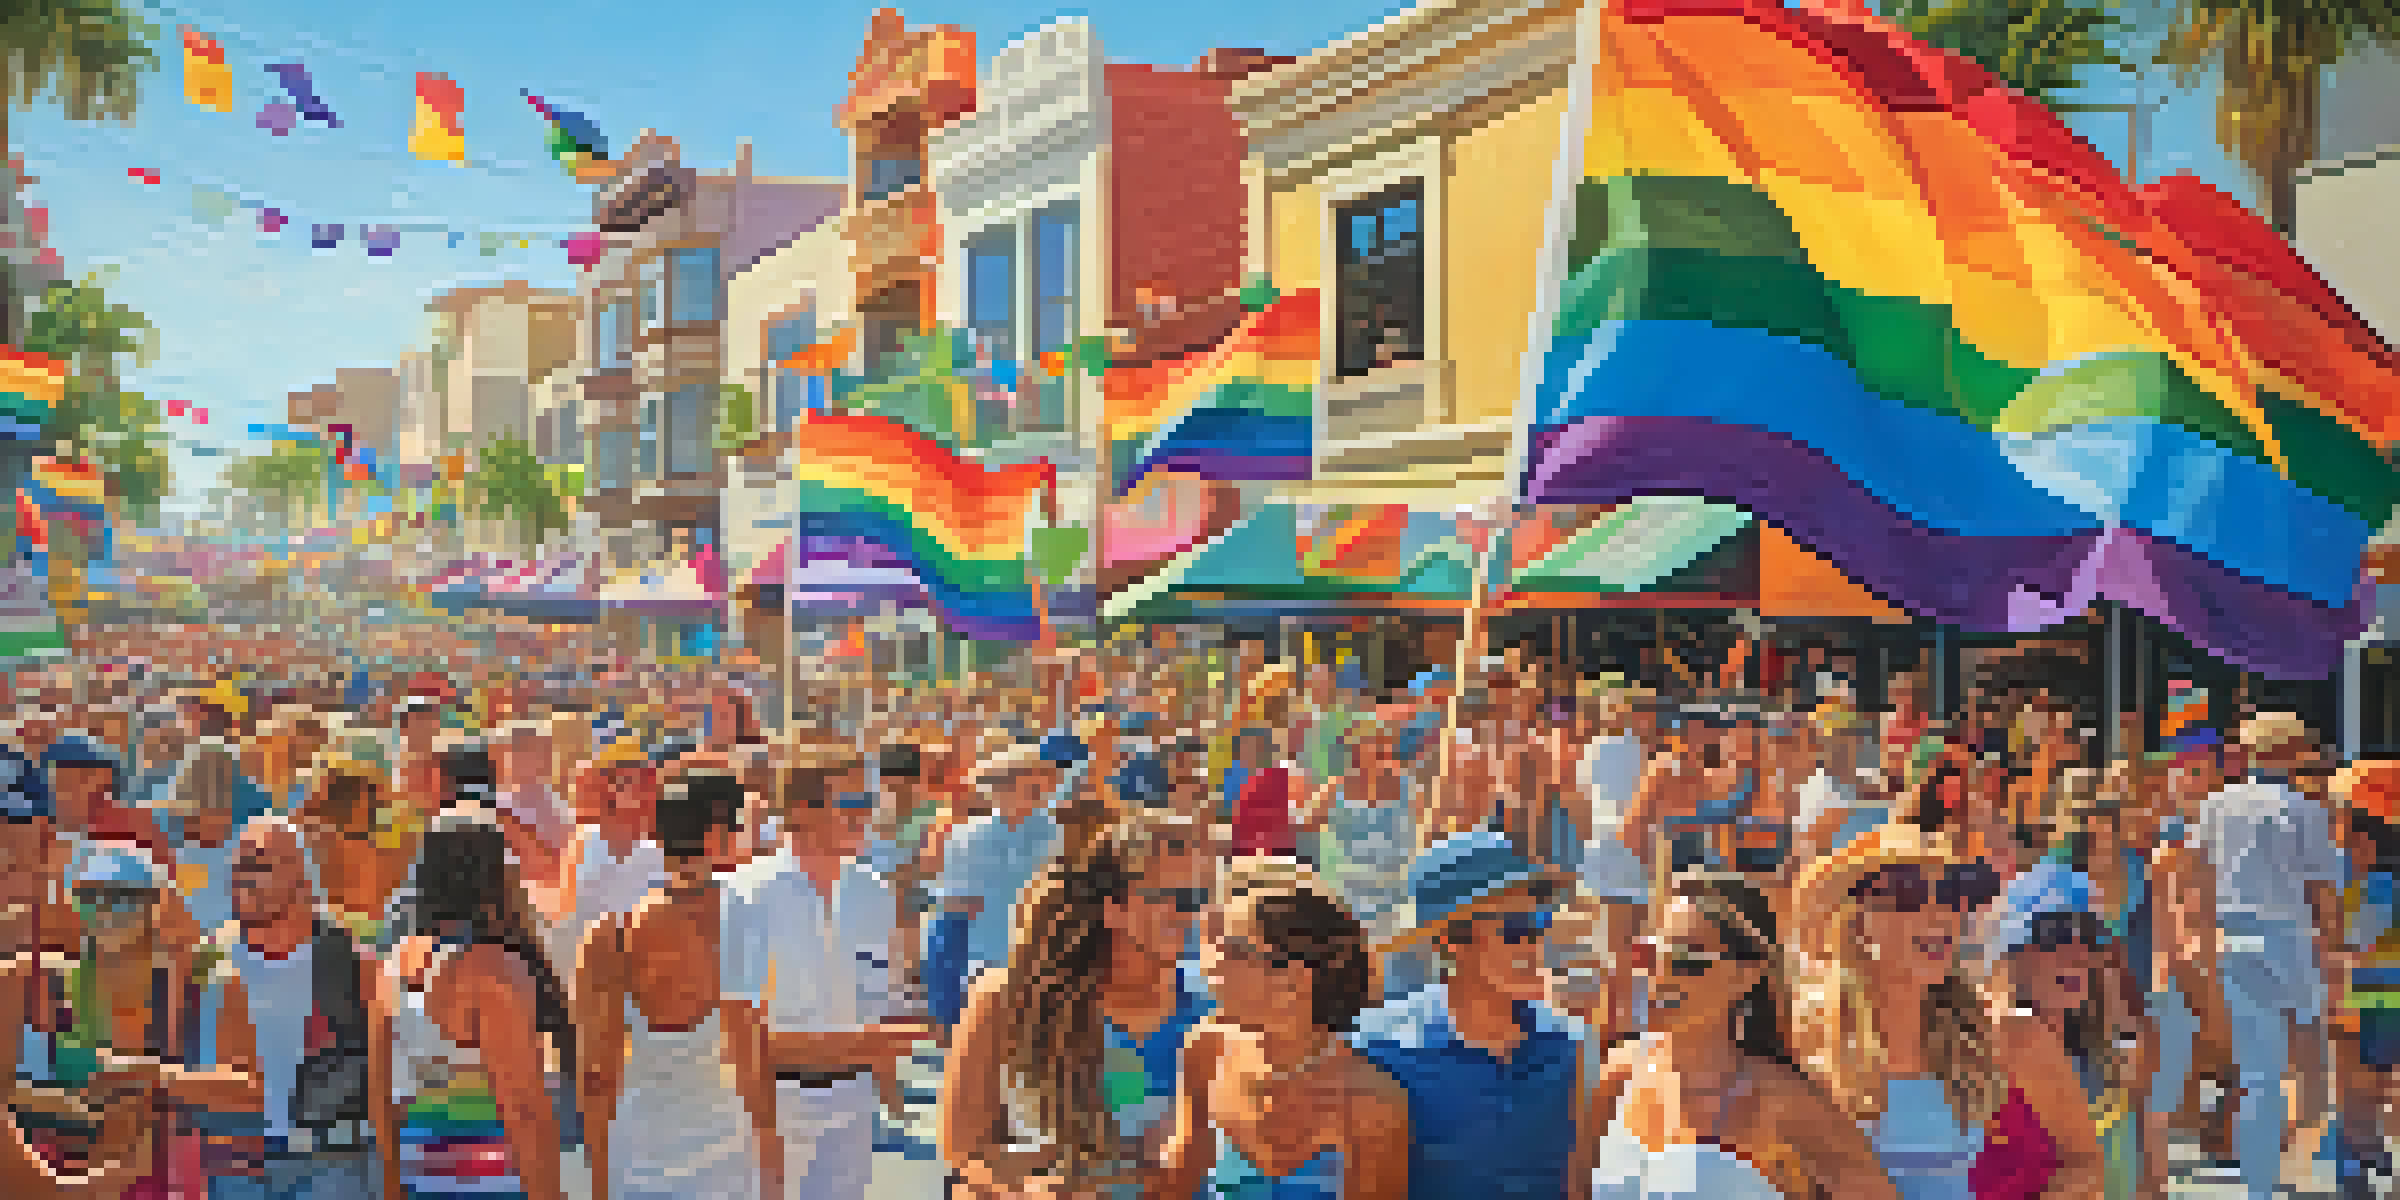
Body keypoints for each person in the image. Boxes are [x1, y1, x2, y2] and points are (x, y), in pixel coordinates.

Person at [939, 815, 1216, 1200]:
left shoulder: (1218, 1009)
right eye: (1172, 897)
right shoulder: (1008, 999)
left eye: (1198, 898)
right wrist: (1029, 1186)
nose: (1188, 913)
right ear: (1113, 908)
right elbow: (964, 1150)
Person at [1581, 871, 1896, 1199]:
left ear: (1747, 976)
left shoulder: (1783, 1099)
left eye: (1686, 959)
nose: (1659, 976)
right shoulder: (1619, 1072)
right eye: (1648, 956)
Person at [722, 745, 931, 1200]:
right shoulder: (743, 895)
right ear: (800, 810)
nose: (866, 816)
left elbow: (884, 997)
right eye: (851, 804)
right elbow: (732, 1032)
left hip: (854, 1108)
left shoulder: (875, 892)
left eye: (868, 803)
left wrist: (887, 1084)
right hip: (768, 1108)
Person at [1156, 857, 1410, 1200]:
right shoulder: (1206, 1050)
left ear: (1293, 979)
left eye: (1233, 950)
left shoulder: (1372, 1103)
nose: (1211, 965)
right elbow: (1176, 1184)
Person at [1347, 831, 1580, 1200]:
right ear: (1450, 940)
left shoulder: (1575, 1048)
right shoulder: (1375, 1051)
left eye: (1540, 922)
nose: (1536, 943)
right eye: (1517, 930)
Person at [576, 768, 769, 1200]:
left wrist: (601, 1181)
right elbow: (748, 1052)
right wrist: (770, 1159)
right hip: (724, 1147)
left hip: (638, 1144)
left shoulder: (607, 935)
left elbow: (595, 1074)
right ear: (717, 836)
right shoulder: (740, 915)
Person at [1790, 824, 2004, 1200]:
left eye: (1953, 893)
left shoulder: (1975, 1033)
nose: (1940, 913)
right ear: (1857, 921)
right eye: (1910, 892)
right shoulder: (1803, 1041)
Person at [369, 813, 571, 1200]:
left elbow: (383, 1105)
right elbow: (524, 1110)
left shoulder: (391, 968)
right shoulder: (494, 969)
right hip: (494, 1185)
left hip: (421, 1183)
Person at [2195, 713, 2345, 1200]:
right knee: (2308, 1065)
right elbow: (2323, 893)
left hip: (2231, 937)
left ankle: (2258, 1181)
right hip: (2291, 939)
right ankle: (2295, 1162)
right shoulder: (2304, 809)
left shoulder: (2214, 806)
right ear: (2291, 752)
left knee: (2258, 1069)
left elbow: (2197, 884)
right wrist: (2336, 954)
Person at [199, 817, 382, 1199]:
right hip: (234, 1162)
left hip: (334, 1162)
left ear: (302, 878)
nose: (244, 878)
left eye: (259, 865)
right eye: (238, 868)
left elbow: (384, 1080)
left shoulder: (353, 965)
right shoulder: (211, 962)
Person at [1967, 863, 2135, 1200]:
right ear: (2011, 952)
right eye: (2055, 936)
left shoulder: (2110, 1065)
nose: (2076, 954)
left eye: (2089, 937)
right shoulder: (1986, 1046)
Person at [922, 743, 1065, 1034]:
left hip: (1039, 968)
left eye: (1036, 778)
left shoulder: (1059, 837)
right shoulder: (964, 838)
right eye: (1015, 778)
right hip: (982, 966)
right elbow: (951, 916)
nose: (1032, 786)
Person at [548, 737, 665, 997]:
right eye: (627, 781)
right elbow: (563, 915)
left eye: (643, 781)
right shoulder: (582, 842)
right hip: (585, 978)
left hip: (642, 984)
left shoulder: (664, 851)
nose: (637, 790)